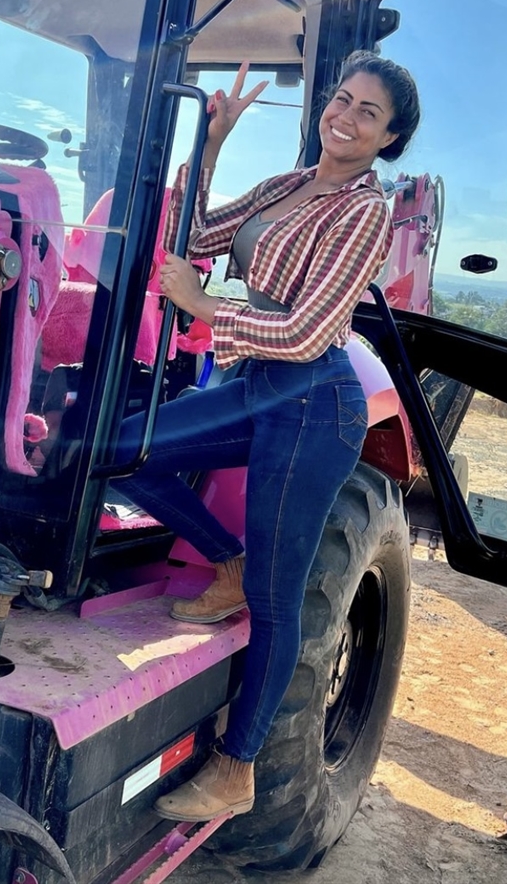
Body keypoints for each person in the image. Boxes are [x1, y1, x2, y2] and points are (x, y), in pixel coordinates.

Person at [112, 51, 421, 822]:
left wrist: (204, 304)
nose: (343, 118)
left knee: (277, 603)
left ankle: (236, 769)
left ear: (388, 139)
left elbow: (309, 330)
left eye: (367, 114)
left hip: (314, 402)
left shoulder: (363, 213)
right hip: (256, 387)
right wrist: (212, 141)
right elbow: (201, 230)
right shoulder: (288, 184)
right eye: (340, 100)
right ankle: (225, 558)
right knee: (119, 450)